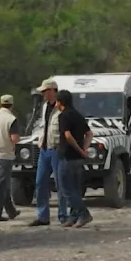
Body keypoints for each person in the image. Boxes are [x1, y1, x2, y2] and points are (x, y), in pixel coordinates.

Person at [54, 87, 93, 228]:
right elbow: (89, 134)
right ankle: (73, 216)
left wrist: (79, 149)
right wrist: (85, 148)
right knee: (76, 188)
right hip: (78, 159)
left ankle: (84, 213)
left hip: (67, 156)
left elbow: (67, 135)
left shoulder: (63, 116)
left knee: (66, 189)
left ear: (60, 102)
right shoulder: (78, 115)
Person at [29, 84, 63, 228]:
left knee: (60, 183)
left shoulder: (61, 107)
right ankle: (43, 216)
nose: (43, 94)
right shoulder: (45, 107)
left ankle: (63, 215)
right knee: (40, 182)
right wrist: (40, 139)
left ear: (52, 91)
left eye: (45, 91)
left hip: (56, 148)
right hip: (44, 148)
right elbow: (45, 125)